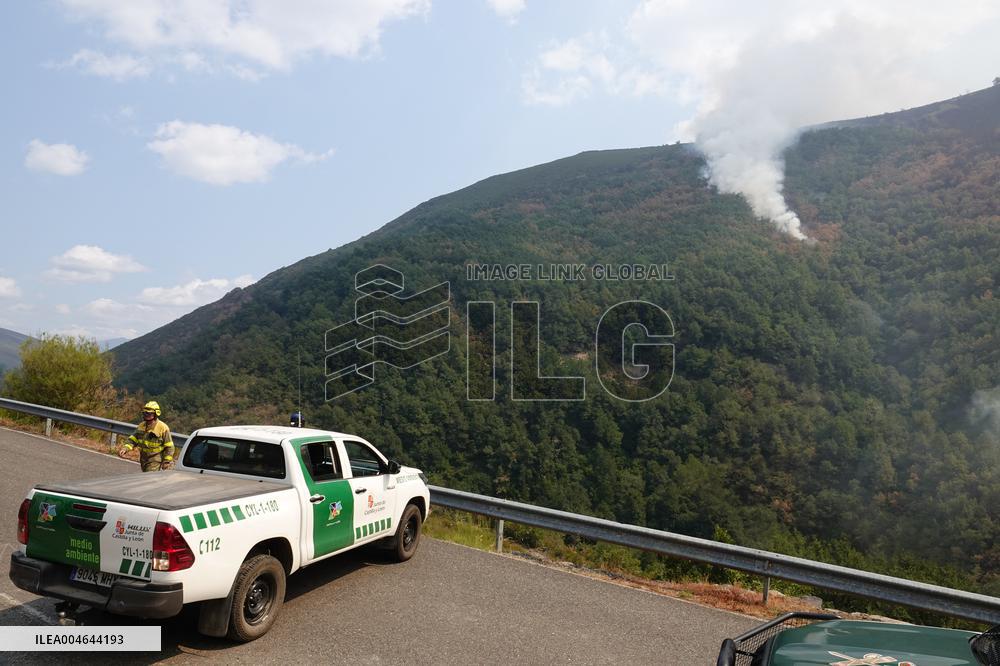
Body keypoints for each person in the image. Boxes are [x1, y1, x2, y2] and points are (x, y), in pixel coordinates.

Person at [119, 401, 174, 472]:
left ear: (156, 414)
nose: (146, 415)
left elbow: (169, 446)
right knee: (146, 477)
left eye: (149, 413)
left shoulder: (162, 428)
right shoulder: (141, 426)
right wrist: (125, 448)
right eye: (144, 413)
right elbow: (133, 440)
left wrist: (166, 461)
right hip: (143, 459)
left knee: (149, 476)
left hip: (155, 459)